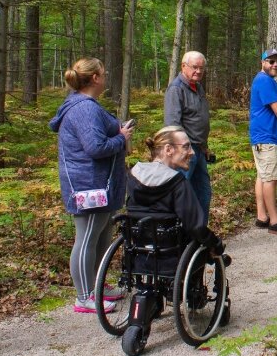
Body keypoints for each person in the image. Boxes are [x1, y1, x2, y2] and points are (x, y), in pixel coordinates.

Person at [50, 58, 133, 314]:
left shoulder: (87, 105)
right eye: (104, 74)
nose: (106, 77)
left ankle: (97, 286)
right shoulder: (83, 108)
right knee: (86, 238)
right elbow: (95, 147)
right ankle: (84, 296)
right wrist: (121, 138)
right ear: (95, 78)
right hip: (88, 186)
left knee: (100, 237)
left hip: (100, 184)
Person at [126, 126, 225, 257]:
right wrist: (215, 244)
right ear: (168, 150)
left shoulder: (133, 176)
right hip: (173, 253)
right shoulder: (178, 183)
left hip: (139, 251)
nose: (192, 152)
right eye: (186, 147)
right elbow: (195, 226)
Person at [249, 49, 277, 235]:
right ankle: (274, 222)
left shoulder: (264, 80)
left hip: (265, 136)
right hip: (266, 137)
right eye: (271, 61)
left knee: (263, 176)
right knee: (270, 179)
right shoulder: (264, 80)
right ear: (262, 62)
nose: (275, 64)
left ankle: (262, 216)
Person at [164, 51, 212, 225]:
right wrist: (184, 149)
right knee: (181, 195)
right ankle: (176, 236)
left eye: (201, 68)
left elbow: (199, 119)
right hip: (183, 152)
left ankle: (199, 237)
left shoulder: (198, 87)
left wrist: (204, 146)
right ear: (183, 66)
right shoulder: (176, 89)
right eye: (194, 67)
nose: (198, 71)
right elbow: (172, 124)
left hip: (198, 150)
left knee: (203, 194)